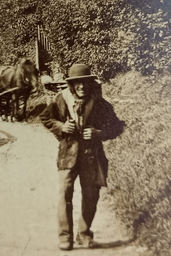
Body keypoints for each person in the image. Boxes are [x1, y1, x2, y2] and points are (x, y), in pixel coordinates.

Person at [39, 63, 124, 251]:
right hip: (67, 155)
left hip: (92, 156)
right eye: (77, 83)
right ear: (71, 85)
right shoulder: (61, 99)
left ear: (90, 83)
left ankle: (84, 234)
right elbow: (45, 118)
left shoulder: (99, 103)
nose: (82, 86)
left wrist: (98, 133)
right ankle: (65, 237)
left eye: (85, 82)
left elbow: (117, 126)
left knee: (91, 195)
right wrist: (61, 127)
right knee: (64, 193)